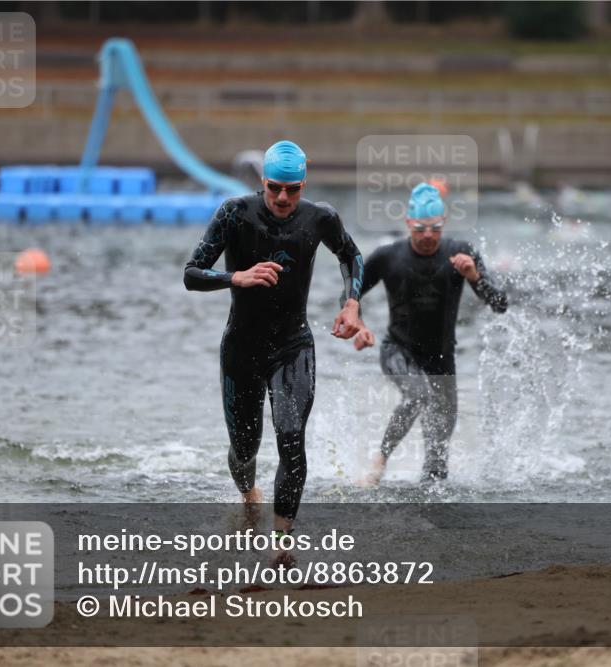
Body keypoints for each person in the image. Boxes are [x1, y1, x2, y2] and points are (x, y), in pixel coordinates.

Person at [184, 140, 368, 534]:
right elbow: (192, 273)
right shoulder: (235, 213)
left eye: (293, 189)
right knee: (244, 448)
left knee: (291, 437)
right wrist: (236, 276)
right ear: (263, 182)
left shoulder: (321, 217)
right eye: (274, 188)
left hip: (293, 345)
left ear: (304, 184)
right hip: (242, 347)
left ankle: (282, 537)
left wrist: (352, 303)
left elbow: (351, 256)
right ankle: (249, 494)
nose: (283, 198)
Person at [354, 182, 508, 484]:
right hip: (398, 350)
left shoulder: (462, 254)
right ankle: (379, 462)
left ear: (444, 223)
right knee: (417, 395)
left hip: (442, 359)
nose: (428, 235)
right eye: (420, 228)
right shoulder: (387, 256)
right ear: (408, 223)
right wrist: (358, 325)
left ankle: (431, 506)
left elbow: (500, 304)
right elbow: (350, 294)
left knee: (437, 467)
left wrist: (474, 276)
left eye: (435, 228)